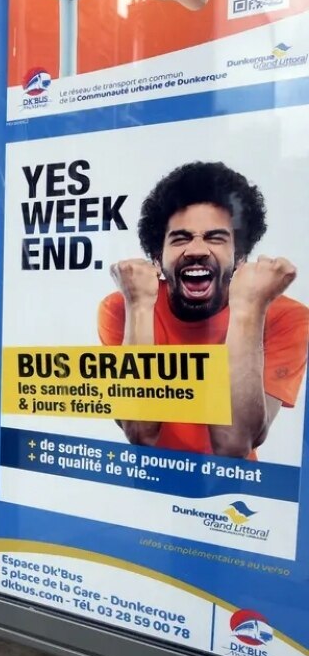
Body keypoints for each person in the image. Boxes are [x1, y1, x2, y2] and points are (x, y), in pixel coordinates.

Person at [98, 162, 309, 459]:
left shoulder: (286, 317)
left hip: (230, 497)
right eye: (181, 238)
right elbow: (140, 432)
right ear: (157, 260)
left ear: (240, 257)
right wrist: (139, 307)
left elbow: (235, 444)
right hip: (147, 486)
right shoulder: (123, 307)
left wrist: (249, 309)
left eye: (215, 237)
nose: (197, 250)